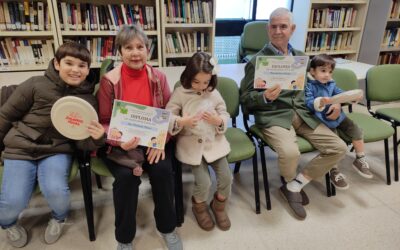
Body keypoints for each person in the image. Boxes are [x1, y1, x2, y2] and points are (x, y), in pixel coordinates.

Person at [240, 7, 348, 220]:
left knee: (339, 147)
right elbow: (245, 99)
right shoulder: (257, 61)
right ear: (267, 28)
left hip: (303, 113)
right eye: (274, 26)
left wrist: (334, 103)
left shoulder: (301, 58)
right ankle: (290, 183)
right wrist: (264, 98)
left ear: (293, 29)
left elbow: (314, 89)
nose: (278, 31)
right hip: (273, 115)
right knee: (290, 153)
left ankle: (295, 184)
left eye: (283, 26)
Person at [0, 42, 105, 248]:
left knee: (57, 191)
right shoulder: (35, 84)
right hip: (20, 147)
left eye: (82, 65)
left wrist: (98, 138)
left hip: (56, 151)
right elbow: (5, 115)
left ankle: (58, 218)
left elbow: (83, 142)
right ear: (57, 63)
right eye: (69, 63)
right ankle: (8, 224)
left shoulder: (88, 100)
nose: (75, 70)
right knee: (13, 200)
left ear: (88, 69)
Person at [96, 25, 182, 250]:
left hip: (154, 140)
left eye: (140, 47)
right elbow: (104, 120)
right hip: (121, 144)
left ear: (148, 50)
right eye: (128, 47)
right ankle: (124, 239)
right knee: (125, 179)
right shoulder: (109, 81)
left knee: (163, 172)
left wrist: (161, 140)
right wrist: (118, 142)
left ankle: (167, 228)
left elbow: (169, 113)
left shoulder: (158, 77)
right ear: (120, 52)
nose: (135, 53)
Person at [166, 52, 232, 231]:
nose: (201, 86)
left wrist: (219, 121)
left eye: (206, 82)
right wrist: (182, 121)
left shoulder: (213, 92)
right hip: (191, 144)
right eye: (196, 81)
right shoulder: (180, 93)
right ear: (188, 76)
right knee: (204, 182)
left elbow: (225, 113)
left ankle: (218, 206)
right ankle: (199, 207)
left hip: (213, 143)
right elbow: (168, 116)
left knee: (226, 177)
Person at [305, 54, 373, 190]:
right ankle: (333, 170)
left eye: (330, 72)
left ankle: (360, 158)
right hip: (323, 120)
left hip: (339, 117)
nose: (327, 75)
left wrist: (351, 97)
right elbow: (308, 102)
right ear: (312, 71)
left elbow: (341, 94)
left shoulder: (331, 83)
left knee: (356, 130)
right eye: (323, 71)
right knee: (336, 143)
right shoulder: (308, 86)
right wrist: (320, 102)